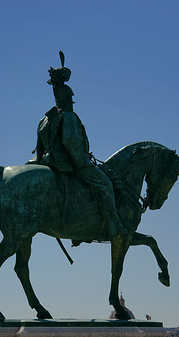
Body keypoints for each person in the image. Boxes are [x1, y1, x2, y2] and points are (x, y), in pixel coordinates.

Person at [28, 52, 125, 239]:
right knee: (104, 184)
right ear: (66, 96)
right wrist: (82, 161)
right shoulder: (68, 117)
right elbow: (70, 143)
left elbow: (39, 147)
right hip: (68, 163)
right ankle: (113, 226)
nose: (73, 101)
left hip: (46, 161)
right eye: (71, 97)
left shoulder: (45, 119)